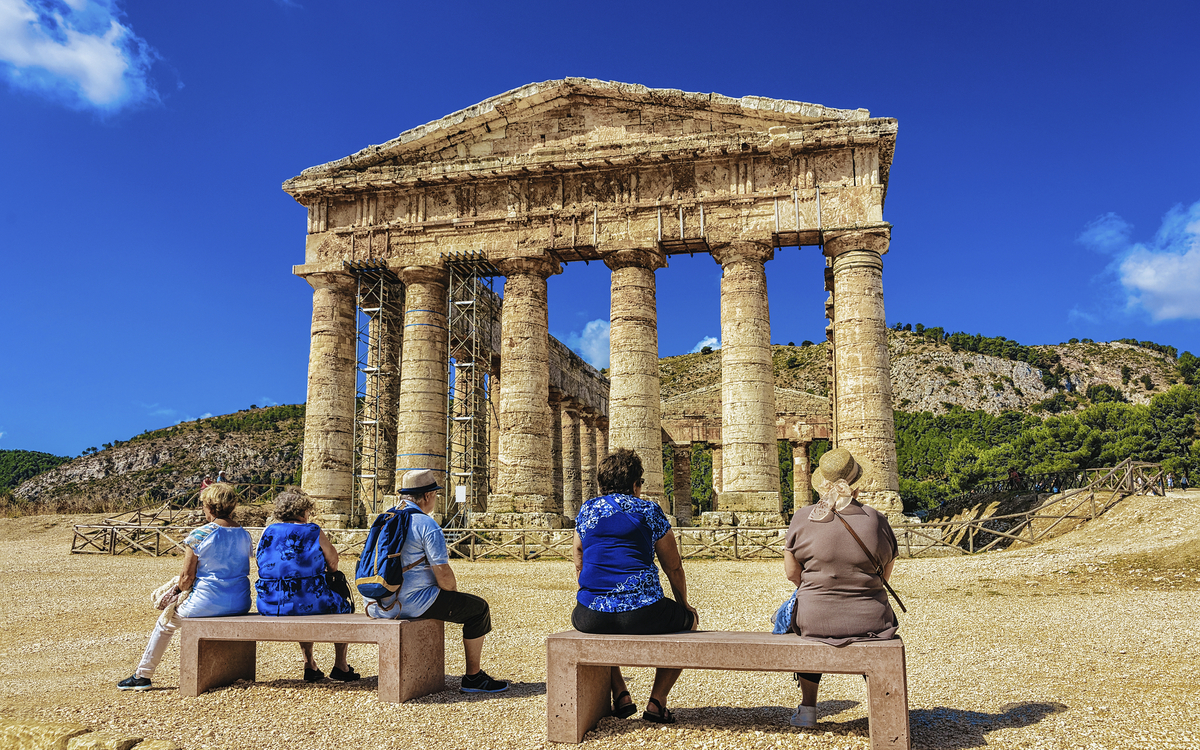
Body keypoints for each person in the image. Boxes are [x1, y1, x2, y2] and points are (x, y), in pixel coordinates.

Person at [572, 448, 698, 724]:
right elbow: (673, 565)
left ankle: (621, 693)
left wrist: (592, 592)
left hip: (590, 613)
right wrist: (683, 604)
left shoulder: (587, 509)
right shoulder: (648, 510)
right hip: (643, 610)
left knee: (602, 629)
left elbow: (579, 558)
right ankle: (657, 701)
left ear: (602, 485)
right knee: (688, 623)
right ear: (635, 484)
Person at [364, 469, 509, 693]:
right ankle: (473, 677)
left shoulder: (384, 519)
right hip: (410, 603)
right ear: (428, 496)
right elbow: (443, 574)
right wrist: (453, 595)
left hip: (375, 603)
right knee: (478, 609)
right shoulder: (426, 524)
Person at [783, 448, 899, 728]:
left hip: (815, 618)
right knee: (874, 635)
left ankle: (808, 710)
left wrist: (815, 588)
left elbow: (791, 574)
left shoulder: (801, 518)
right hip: (871, 618)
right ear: (855, 481)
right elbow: (885, 572)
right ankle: (882, 711)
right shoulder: (876, 519)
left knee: (795, 617)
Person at [118, 483, 252, 690]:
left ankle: (143, 674)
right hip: (240, 602)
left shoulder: (200, 534)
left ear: (210, 507)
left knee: (166, 623)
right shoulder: (244, 534)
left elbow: (187, 577)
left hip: (207, 602)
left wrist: (176, 592)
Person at [256, 489, 357, 682]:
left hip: (270, 601)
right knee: (343, 605)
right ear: (303, 511)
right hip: (306, 599)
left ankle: (309, 663)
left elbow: (261, 563)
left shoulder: (267, 531)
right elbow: (333, 562)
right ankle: (341, 665)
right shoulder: (312, 530)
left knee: (300, 599)